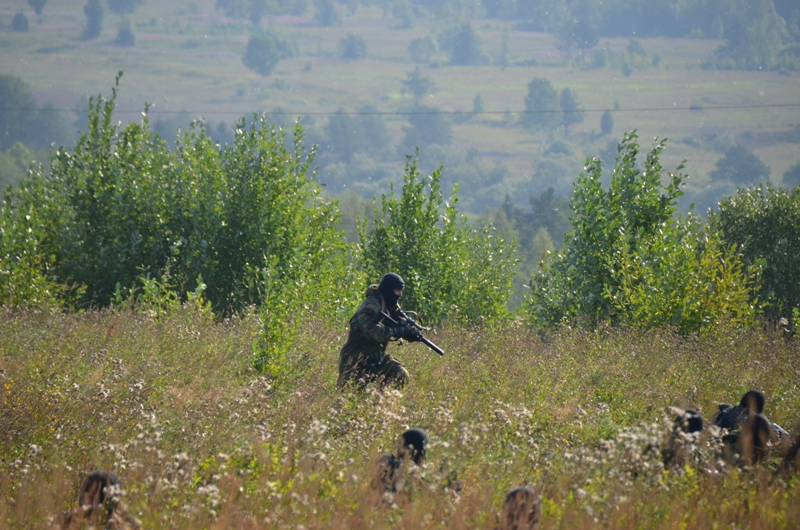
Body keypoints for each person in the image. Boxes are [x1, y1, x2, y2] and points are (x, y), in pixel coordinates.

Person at [337, 272, 419, 389]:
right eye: (397, 290)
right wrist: (394, 331)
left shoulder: (389, 305)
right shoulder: (371, 306)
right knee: (350, 396)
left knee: (400, 375)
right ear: (388, 289)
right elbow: (372, 332)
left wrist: (408, 333)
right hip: (356, 359)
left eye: (401, 291)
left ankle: (383, 403)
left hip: (377, 358)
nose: (400, 294)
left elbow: (397, 323)